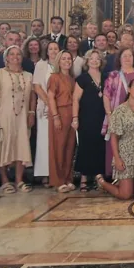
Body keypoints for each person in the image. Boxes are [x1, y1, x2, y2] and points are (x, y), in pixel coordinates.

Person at [0, 46, 34, 194]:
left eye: (18, 54)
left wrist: (31, 113)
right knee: (2, 147)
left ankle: (19, 180)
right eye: (12, 54)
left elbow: (32, 96)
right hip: (3, 115)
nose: (15, 57)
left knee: (21, 146)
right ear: (6, 58)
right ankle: (5, 181)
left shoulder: (28, 75)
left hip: (22, 116)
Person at [96, 77, 134, 199]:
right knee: (125, 194)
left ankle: (127, 184)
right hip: (125, 153)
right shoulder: (119, 110)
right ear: (129, 89)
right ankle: (102, 182)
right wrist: (117, 158)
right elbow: (114, 137)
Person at [103, 47, 134, 176]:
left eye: (130, 56)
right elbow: (106, 96)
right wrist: (109, 114)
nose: (127, 58)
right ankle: (117, 174)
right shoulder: (114, 75)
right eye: (124, 56)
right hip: (117, 114)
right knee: (116, 140)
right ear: (119, 59)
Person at [71, 50, 107, 191]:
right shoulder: (82, 78)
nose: (94, 61)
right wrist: (75, 118)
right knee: (86, 147)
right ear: (87, 61)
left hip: (102, 117)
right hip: (86, 117)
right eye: (91, 58)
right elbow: (75, 99)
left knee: (100, 147)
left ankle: (99, 178)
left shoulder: (106, 77)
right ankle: (84, 179)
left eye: (97, 58)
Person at [47, 51, 77, 193]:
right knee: (58, 148)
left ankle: (67, 178)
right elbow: (51, 96)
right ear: (58, 61)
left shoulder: (72, 78)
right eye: (64, 59)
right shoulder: (54, 77)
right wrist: (55, 116)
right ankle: (58, 180)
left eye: (69, 58)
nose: (67, 61)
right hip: (60, 112)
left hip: (72, 113)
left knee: (70, 147)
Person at [32, 41, 61, 186]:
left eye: (56, 48)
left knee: (57, 142)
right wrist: (50, 103)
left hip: (60, 109)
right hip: (45, 108)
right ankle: (45, 174)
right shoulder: (41, 65)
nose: (54, 51)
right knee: (44, 142)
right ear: (47, 51)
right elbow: (37, 87)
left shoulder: (62, 65)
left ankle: (57, 173)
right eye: (51, 48)